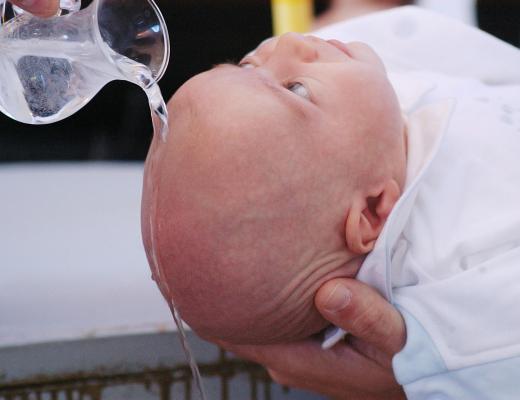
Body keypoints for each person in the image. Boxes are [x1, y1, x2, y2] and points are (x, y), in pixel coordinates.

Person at [141, 6, 520, 399]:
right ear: (372, 213)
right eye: (297, 89)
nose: (287, 42)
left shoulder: (363, 131)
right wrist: (429, 374)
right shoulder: (456, 282)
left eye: (247, 65)